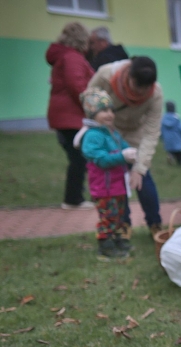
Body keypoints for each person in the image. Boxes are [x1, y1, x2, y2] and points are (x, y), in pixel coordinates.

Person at [88, 56, 164, 242]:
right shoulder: (106, 76)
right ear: (128, 74)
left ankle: (155, 224)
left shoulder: (155, 94)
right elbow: (89, 100)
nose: (139, 93)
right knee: (115, 182)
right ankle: (123, 225)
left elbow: (152, 132)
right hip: (108, 133)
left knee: (143, 179)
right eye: (136, 86)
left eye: (144, 90)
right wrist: (99, 133)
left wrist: (139, 167)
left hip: (134, 135)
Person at [75, 89, 138, 260]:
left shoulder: (111, 132)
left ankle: (117, 239)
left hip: (117, 185)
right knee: (108, 216)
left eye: (111, 109)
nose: (109, 114)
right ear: (91, 113)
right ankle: (105, 245)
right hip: (104, 187)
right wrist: (122, 157)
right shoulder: (92, 136)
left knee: (118, 214)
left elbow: (123, 146)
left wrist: (131, 153)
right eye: (103, 110)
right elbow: (102, 160)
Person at [46, 22, 95, 210]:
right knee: (78, 158)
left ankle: (74, 197)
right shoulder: (73, 57)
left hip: (65, 114)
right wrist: (92, 106)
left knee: (78, 157)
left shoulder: (66, 56)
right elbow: (77, 87)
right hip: (71, 116)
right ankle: (73, 199)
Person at [161, 101, 181, 166]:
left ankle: (170, 156)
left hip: (167, 139)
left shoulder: (163, 119)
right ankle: (180, 163)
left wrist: (162, 137)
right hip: (176, 139)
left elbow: (161, 130)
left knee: (171, 151)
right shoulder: (177, 118)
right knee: (179, 153)